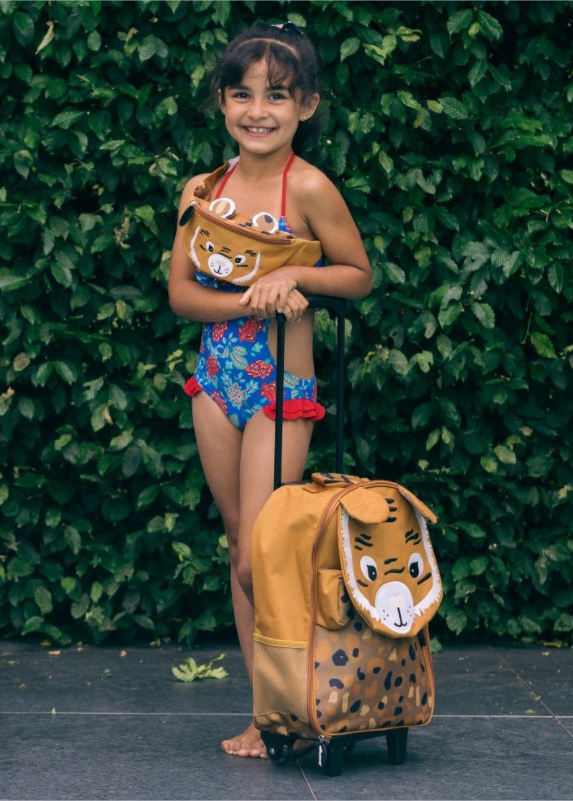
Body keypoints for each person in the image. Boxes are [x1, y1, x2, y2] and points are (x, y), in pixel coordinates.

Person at [168, 21, 372, 759]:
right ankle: (265, 711)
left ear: (306, 106)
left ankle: (305, 697)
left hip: (282, 385)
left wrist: (294, 275)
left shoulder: (309, 186)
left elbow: (357, 274)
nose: (258, 110)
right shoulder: (204, 190)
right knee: (237, 547)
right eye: (243, 94)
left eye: (277, 95)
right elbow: (181, 294)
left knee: (264, 555)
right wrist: (252, 297)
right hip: (217, 379)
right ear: (223, 102)